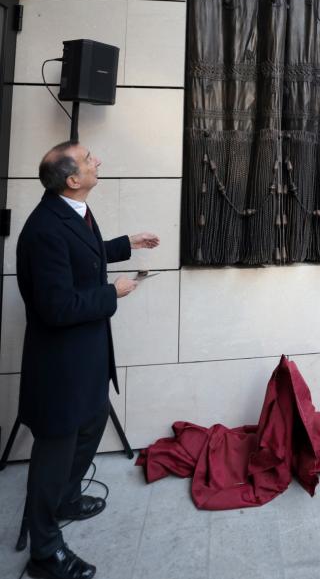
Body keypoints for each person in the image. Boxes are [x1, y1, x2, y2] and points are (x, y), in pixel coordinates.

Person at [17, 142, 159, 579]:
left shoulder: (72, 211)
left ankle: (67, 500)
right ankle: (44, 550)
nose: (97, 160)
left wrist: (125, 244)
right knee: (53, 455)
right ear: (72, 180)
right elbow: (56, 308)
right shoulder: (43, 229)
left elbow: (84, 252)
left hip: (87, 358)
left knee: (93, 423)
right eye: (87, 159)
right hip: (60, 367)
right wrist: (110, 293)